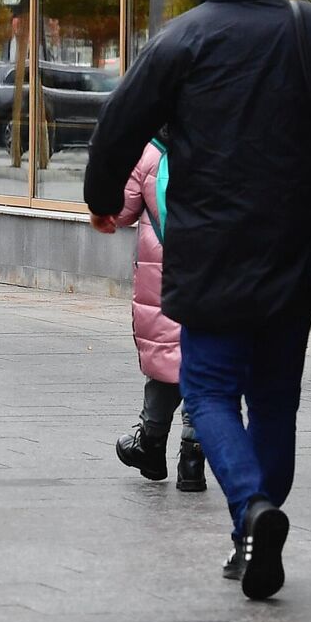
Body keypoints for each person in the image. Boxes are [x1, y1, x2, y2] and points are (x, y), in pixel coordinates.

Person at [83, 0, 311, 601]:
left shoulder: (182, 40)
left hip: (208, 246)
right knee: (275, 397)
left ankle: (251, 512)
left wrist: (100, 199)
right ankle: (257, 526)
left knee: (208, 388)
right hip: (294, 247)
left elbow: (119, 130)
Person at [110, 140, 206, 494]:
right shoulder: (219, 140)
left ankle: (150, 443)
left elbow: (120, 212)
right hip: (211, 273)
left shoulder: (150, 153)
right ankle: (192, 460)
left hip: (161, 283)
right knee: (200, 362)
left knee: (166, 361)